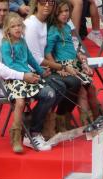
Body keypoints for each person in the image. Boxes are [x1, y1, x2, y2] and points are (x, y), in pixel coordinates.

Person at [0, 0, 58, 152]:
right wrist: (23, 75)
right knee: (46, 92)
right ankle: (30, 132)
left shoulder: (6, 29)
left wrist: (38, 71)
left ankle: (33, 126)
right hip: (1, 83)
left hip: (20, 75)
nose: (2, 14)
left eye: (5, 10)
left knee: (51, 91)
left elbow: (27, 57)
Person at [24, 0, 80, 137]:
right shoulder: (31, 25)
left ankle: (57, 117)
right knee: (63, 85)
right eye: (43, 2)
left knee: (75, 82)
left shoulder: (46, 22)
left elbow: (54, 46)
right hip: (32, 71)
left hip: (46, 67)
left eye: (51, 2)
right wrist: (63, 67)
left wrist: (76, 58)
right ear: (36, 3)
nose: (47, 4)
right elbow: (35, 59)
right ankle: (36, 124)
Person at [0, 13, 52, 153]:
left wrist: (41, 72)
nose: (17, 28)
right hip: (15, 79)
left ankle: (36, 127)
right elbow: (9, 65)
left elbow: (30, 58)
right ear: (7, 29)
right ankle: (16, 136)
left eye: (19, 25)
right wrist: (24, 74)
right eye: (13, 26)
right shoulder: (6, 44)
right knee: (21, 102)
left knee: (49, 94)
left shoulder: (22, 41)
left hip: (28, 76)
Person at [45, 0, 101, 124]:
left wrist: (79, 56)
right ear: (55, 13)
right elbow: (48, 52)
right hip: (65, 64)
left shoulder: (67, 26)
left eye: (66, 11)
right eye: (61, 12)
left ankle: (98, 120)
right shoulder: (53, 30)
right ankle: (88, 124)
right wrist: (59, 68)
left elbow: (70, 47)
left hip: (75, 62)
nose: (65, 14)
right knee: (81, 92)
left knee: (91, 88)